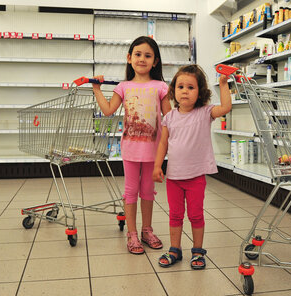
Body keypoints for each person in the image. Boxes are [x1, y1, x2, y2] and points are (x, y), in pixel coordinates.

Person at [92, 36, 172, 254]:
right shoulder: (123, 87)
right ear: (129, 58)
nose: (142, 59)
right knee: (131, 190)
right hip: (130, 148)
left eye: (148, 56)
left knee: (148, 190)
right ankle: (132, 233)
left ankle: (147, 230)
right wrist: (97, 90)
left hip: (154, 151)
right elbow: (108, 111)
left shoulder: (161, 86)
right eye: (137, 54)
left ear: (155, 61)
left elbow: (170, 117)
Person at [153, 64, 231, 269]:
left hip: (196, 177)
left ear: (200, 92)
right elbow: (163, 143)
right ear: (174, 91)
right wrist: (157, 166)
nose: (185, 91)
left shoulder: (205, 113)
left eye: (190, 87)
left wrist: (223, 84)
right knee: (175, 215)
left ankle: (198, 251)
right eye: (180, 87)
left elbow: (225, 108)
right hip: (174, 178)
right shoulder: (169, 117)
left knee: (196, 215)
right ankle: (175, 249)